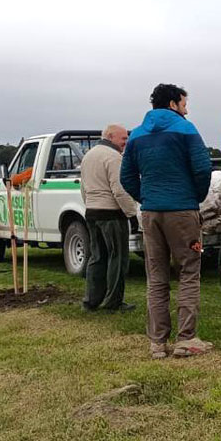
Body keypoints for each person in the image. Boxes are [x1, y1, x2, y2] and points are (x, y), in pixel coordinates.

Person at [121, 84, 214, 359]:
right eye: (184, 104)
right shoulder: (186, 129)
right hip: (182, 210)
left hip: (151, 213)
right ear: (173, 104)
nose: (187, 110)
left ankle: (157, 342)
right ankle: (186, 338)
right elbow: (203, 168)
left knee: (156, 276)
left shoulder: (137, 135)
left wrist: (145, 197)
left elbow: (126, 177)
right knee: (188, 271)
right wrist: (194, 197)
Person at [80, 124, 139, 312]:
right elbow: (119, 190)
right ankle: (113, 301)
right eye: (123, 139)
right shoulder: (114, 157)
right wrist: (131, 214)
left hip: (92, 211)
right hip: (111, 214)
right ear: (111, 137)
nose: (126, 142)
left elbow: (83, 188)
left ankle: (91, 300)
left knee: (96, 257)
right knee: (118, 258)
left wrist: (90, 204)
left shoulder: (89, 156)